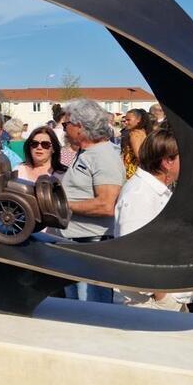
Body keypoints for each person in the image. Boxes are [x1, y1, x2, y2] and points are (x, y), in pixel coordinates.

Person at [51, 99, 125, 303]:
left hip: (90, 250)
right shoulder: (88, 153)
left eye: (66, 125)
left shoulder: (103, 156)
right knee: (75, 311)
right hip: (78, 246)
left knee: (88, 314)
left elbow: (106, 204)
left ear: (80, 127)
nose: (64, 130)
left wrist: (61, 205)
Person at [111, 128, 193, 311]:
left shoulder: (157, 190)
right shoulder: (140, 194)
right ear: (167, 162)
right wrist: (162, 296)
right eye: (183, 157)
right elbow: (133, 253)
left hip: (163, 298)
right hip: (148, 303)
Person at [120, 109, 154, 180]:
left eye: (129, 120)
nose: (126, 122)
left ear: (138, 120)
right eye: (125, 120)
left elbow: (139, 155)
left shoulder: (134, 134)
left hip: (133, 171)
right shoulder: (144, 131)